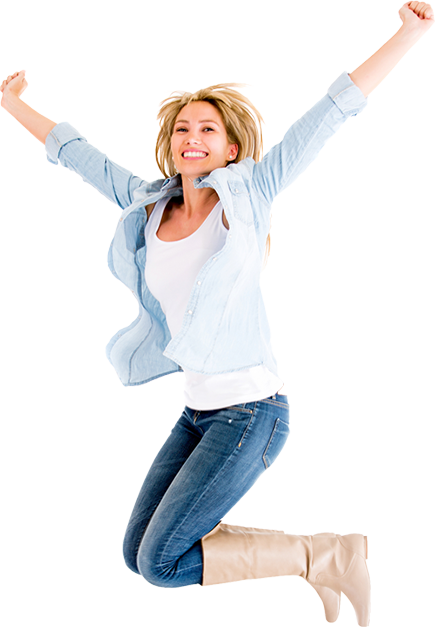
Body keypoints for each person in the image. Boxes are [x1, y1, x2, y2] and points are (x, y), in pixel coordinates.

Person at [2, 3, 433, 624]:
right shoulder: (148, 205)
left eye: (207, 129)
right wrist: (11, 103)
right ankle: (319, 554)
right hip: (198, 412)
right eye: (182, 128)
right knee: (137, 555)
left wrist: (409, 34)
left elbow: (333, 110)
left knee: (161, 562)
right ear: (170, 145)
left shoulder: (251, 194)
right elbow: (77, 153)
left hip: (252, 411)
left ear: (230, 147)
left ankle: (323, 555)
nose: (192, 137)